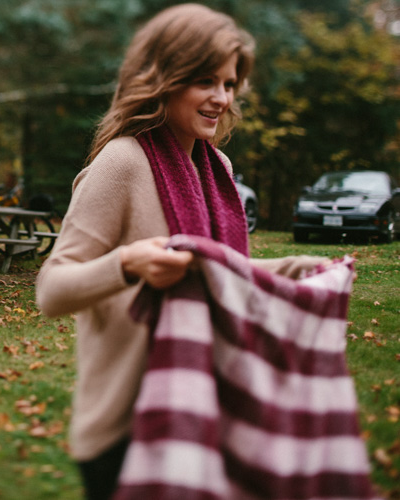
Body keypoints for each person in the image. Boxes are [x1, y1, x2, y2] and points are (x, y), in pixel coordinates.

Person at [35, 4, 327, 500]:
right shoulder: (122, 162)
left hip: (206, 413)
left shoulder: (217, 167)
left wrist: (296, 269)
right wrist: (129, 263)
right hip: (127, 430)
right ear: (164, 79)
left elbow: (213, 271)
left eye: (229, 84)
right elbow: (52, 289)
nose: (221, 98)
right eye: (205, 82)